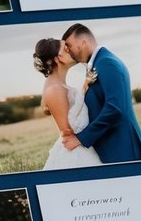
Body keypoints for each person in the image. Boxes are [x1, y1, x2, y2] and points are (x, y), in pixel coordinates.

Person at [60, 24, 141, 164]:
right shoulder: (99, 62)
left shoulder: (106, 63)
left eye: (69, 45)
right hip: (114, 147)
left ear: (84, 42)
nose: (68, 51)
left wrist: (81, 138)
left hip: (122, 149)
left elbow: (115, 108)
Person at [34, 38, 102, 169]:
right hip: (75, 154)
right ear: (55, 59)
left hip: (80, 145)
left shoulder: (60, 85)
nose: (71, 50)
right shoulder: (54, 89)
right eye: (66, 49)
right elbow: (67, 131)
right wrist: (83, 93)